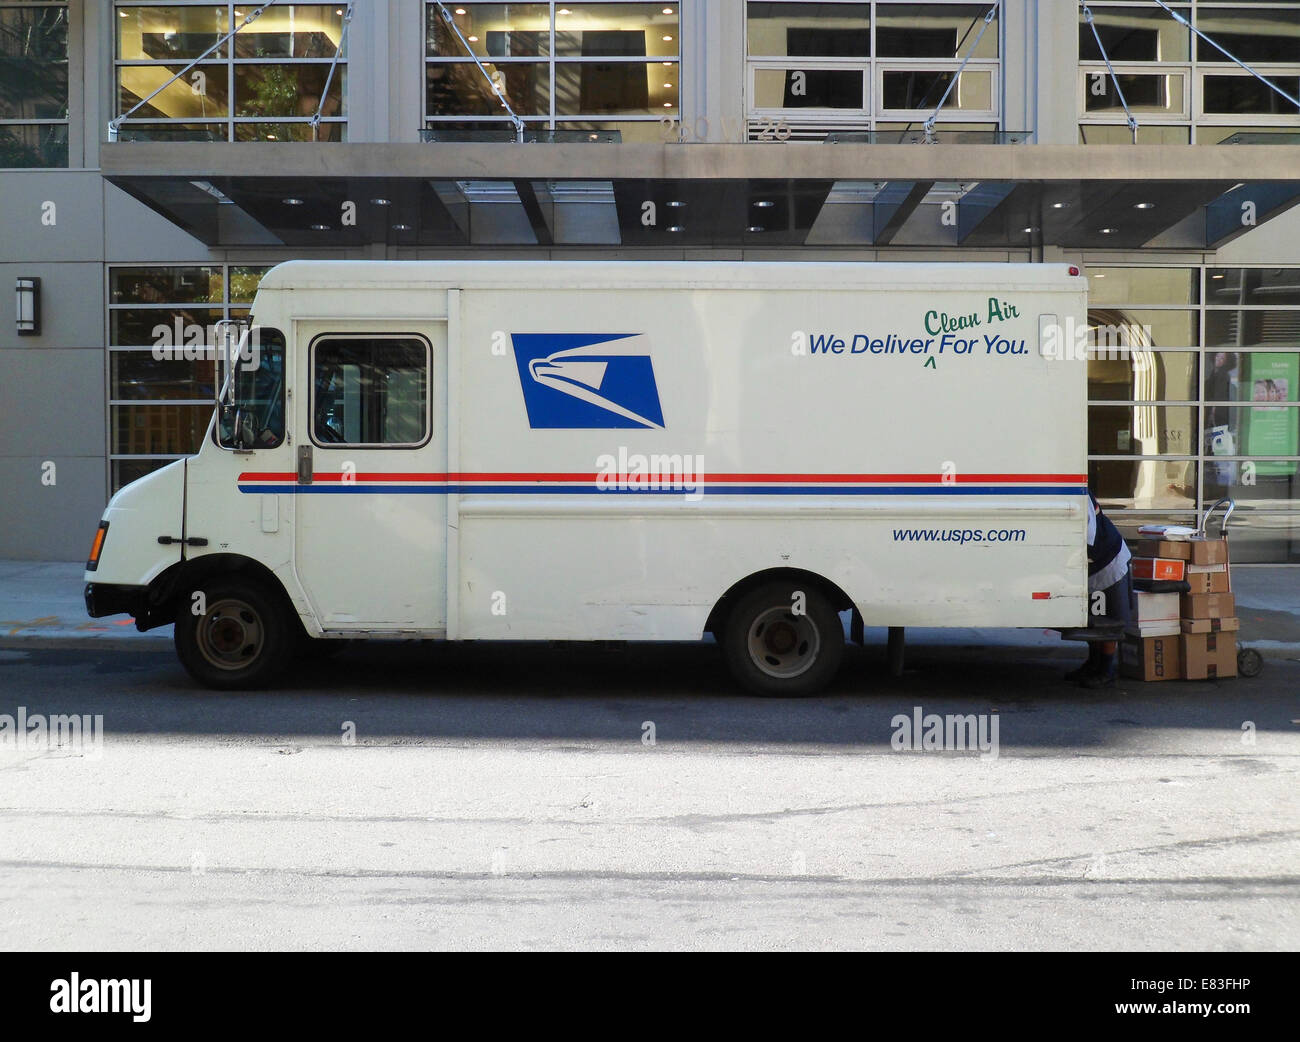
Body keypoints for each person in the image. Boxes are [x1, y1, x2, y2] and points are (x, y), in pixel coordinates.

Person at [1067, 490, 1133, 688]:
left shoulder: (1080, 495)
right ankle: (1092, 663)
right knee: (1093, 618)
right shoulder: (1074, 492)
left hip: (1109, 564)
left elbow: (1088, 534)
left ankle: (1106, 669)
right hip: (1094, 568)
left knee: (1108, 621)